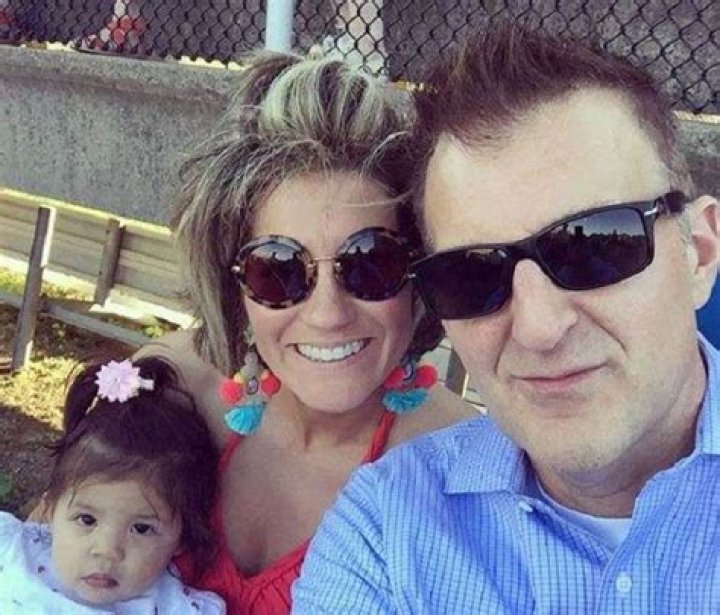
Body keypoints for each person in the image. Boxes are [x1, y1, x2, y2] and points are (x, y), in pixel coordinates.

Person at [293, 26, 720, 612]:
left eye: (595, 245)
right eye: (473, 273)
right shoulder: (385, 532)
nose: (539, 328)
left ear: (699, 252)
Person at [139, 50, 474, 613]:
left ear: (418, 274)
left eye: (370, 262)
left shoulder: (457, 468)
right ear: (235, 286)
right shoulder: (172, 393)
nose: (327, 314)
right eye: (277, 269)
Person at [0, 357, 224, 612]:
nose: (107, 550)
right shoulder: (13, 550)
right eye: (87, 520)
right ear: (50, 509)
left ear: (181, 538)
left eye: (141, 529)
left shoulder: (176, 608)